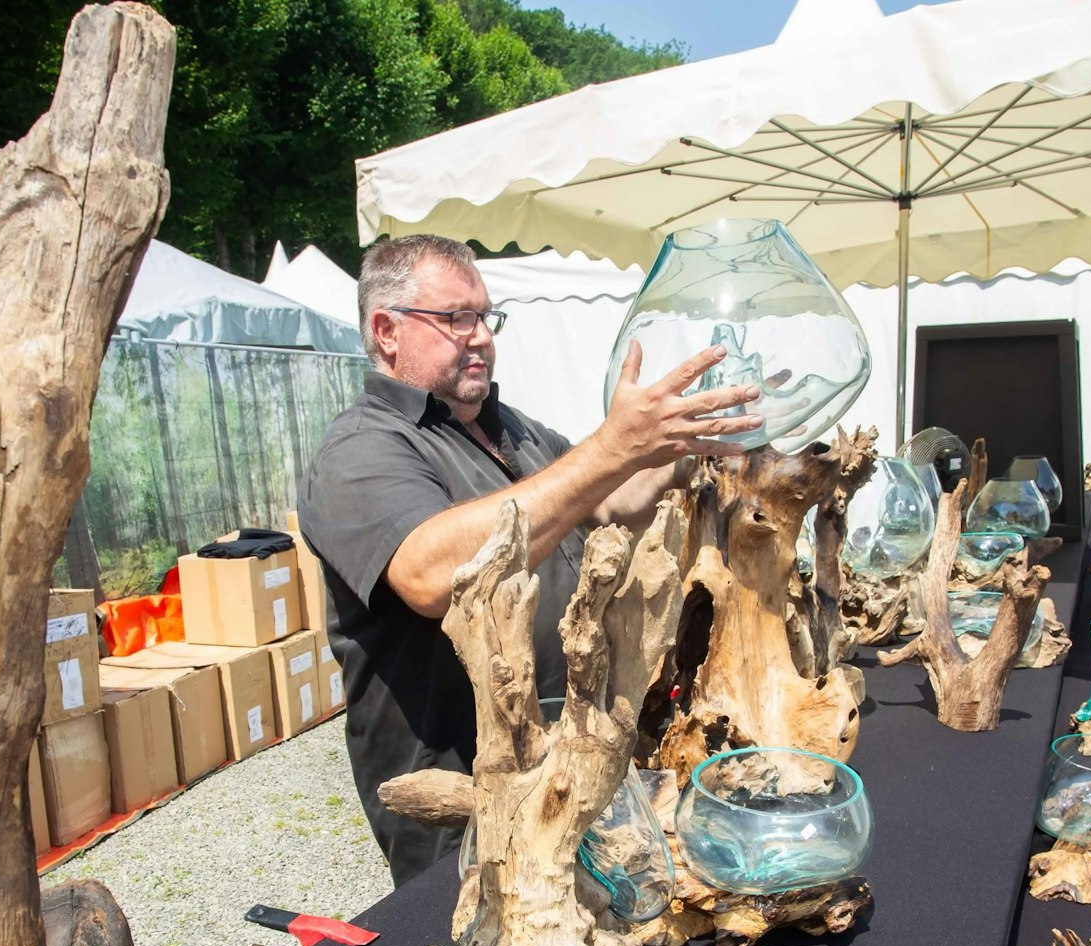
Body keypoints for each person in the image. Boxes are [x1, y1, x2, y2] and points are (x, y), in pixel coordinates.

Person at [298, 234, 762, 883]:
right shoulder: (358, 451)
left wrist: (680, 453)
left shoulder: (509, 426)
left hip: (566, 777)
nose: (483, 336)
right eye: (458, 317)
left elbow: (603, 501)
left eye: (488, 317)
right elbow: (433, 576)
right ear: (387, 331)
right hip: (464, 811)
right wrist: (609, 448)